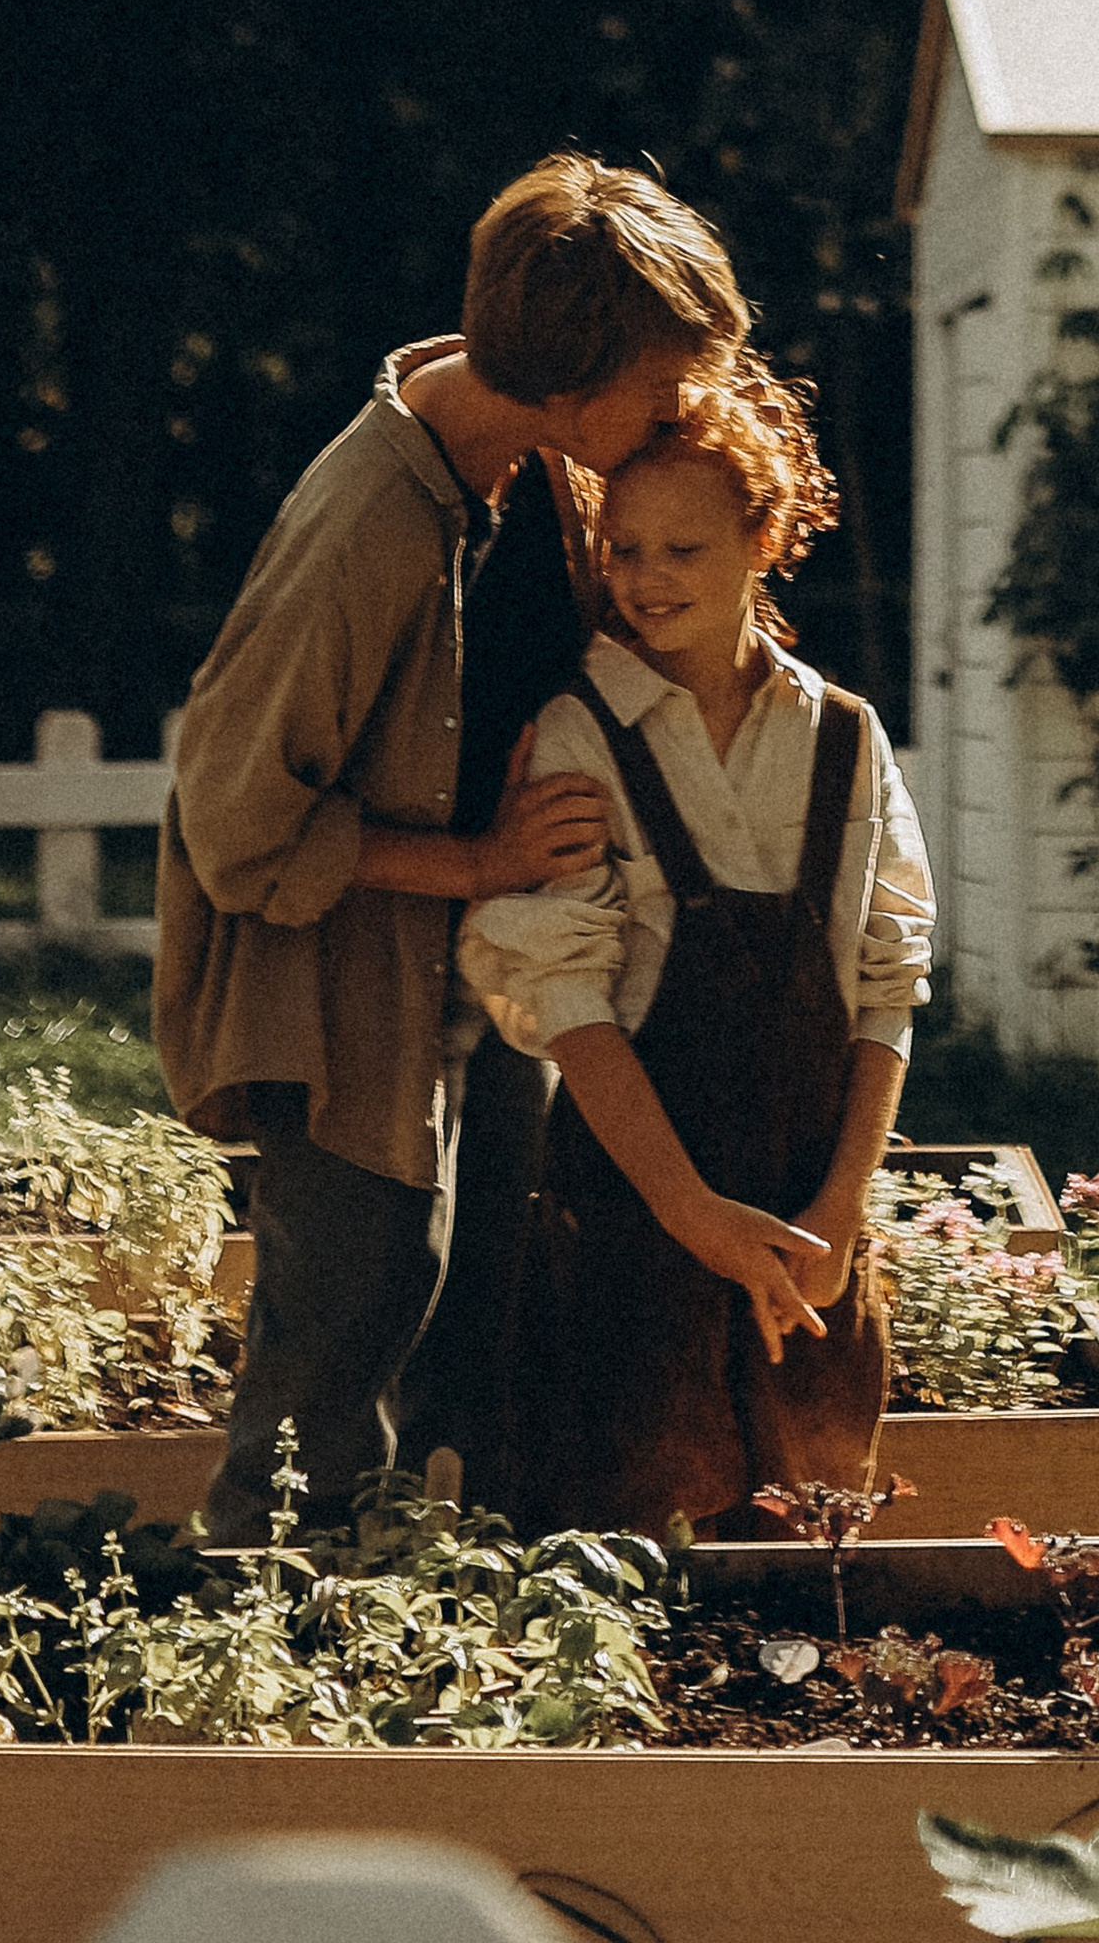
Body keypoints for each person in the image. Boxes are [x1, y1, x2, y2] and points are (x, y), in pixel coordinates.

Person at [155, 153, 750, 1544]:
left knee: (473, 1323)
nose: (684, 412)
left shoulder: (529, 468)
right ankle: (260, 1628)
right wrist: (480, 864)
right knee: (339, 1339)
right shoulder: (369, 524)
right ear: (570, 385)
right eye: (664, 389)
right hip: (341, 993)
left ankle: (432, 1618)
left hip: (479, 972)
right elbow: (237, 825)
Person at [461, 358, 934, 1536]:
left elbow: (887, 985)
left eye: (684, 549)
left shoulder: (845, 738)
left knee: (808, 1542)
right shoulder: (580, 733)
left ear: (764, 541)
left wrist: (840, 1208)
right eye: (623, 550)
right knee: (620, 1538)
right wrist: (689, 1212)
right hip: (631, 1225)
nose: (647, 578)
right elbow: (567, 998)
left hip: (808, 1233)